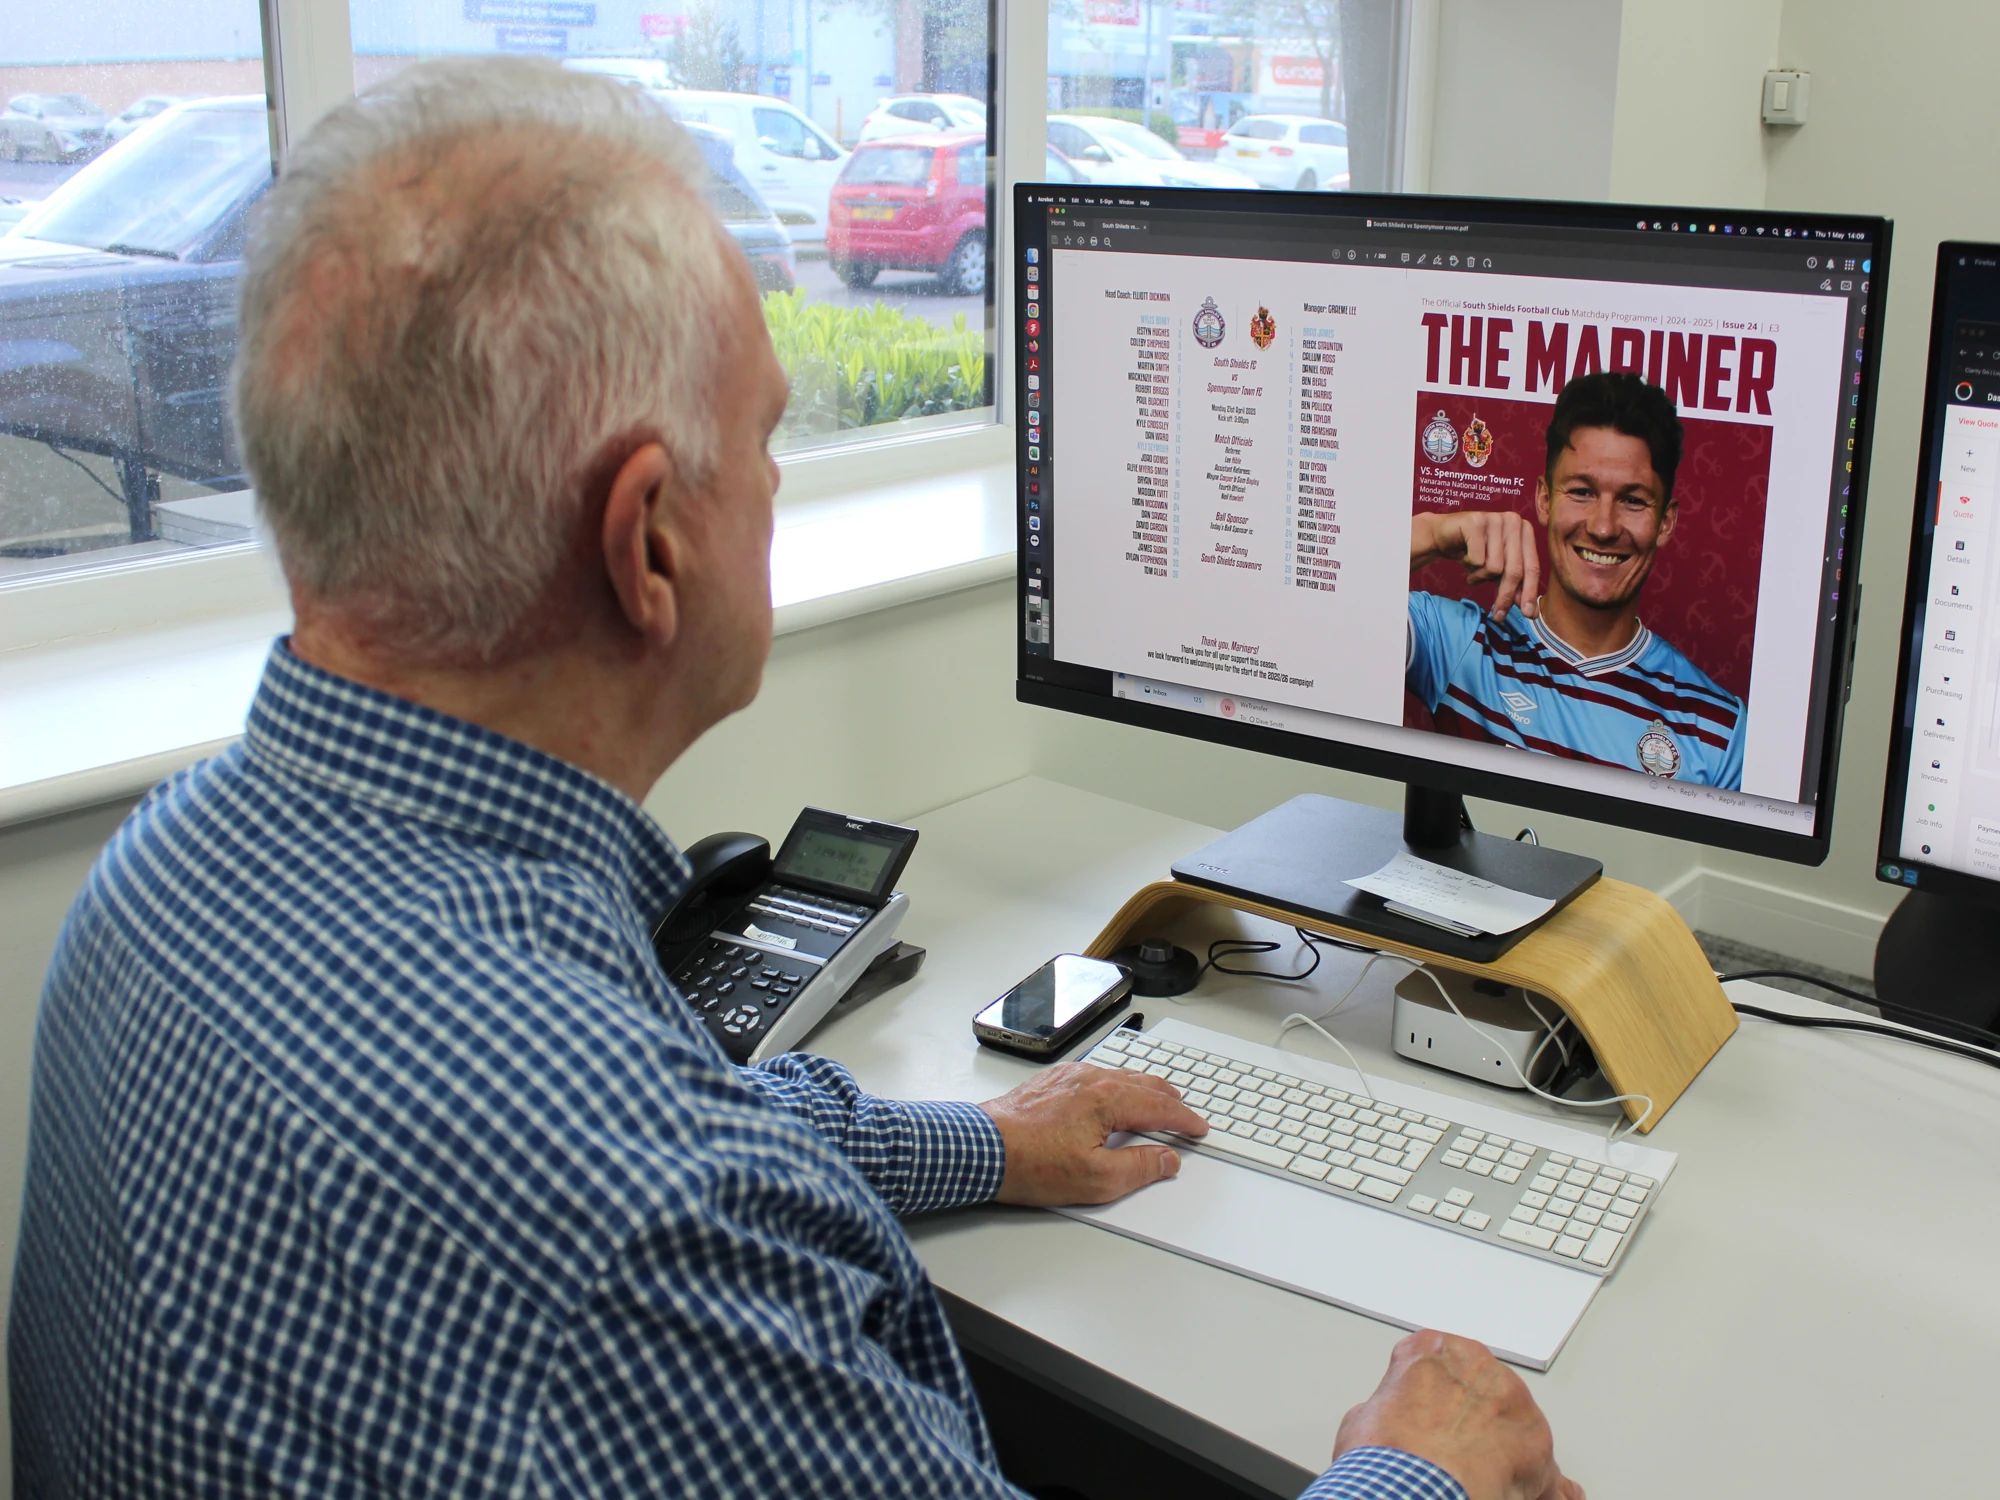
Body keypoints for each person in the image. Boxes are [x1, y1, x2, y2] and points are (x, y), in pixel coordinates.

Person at [9, 59, 1581, 1500]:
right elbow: (630, 1175)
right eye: (764, 438)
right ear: (648, 543)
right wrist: (1419, 1478)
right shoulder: (637, 1219)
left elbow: (637, 1119)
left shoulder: (164, 883)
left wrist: (978, 1142)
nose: (775, 481)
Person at [1406, 372, 1745, 789]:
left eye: (1633, 500)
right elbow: (1315, 606)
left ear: (1666, 521)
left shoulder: (1720, 731)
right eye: (1582, 492)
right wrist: (1432, 535)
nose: (1603, 527)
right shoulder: (1459, 644)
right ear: (1544, 499)